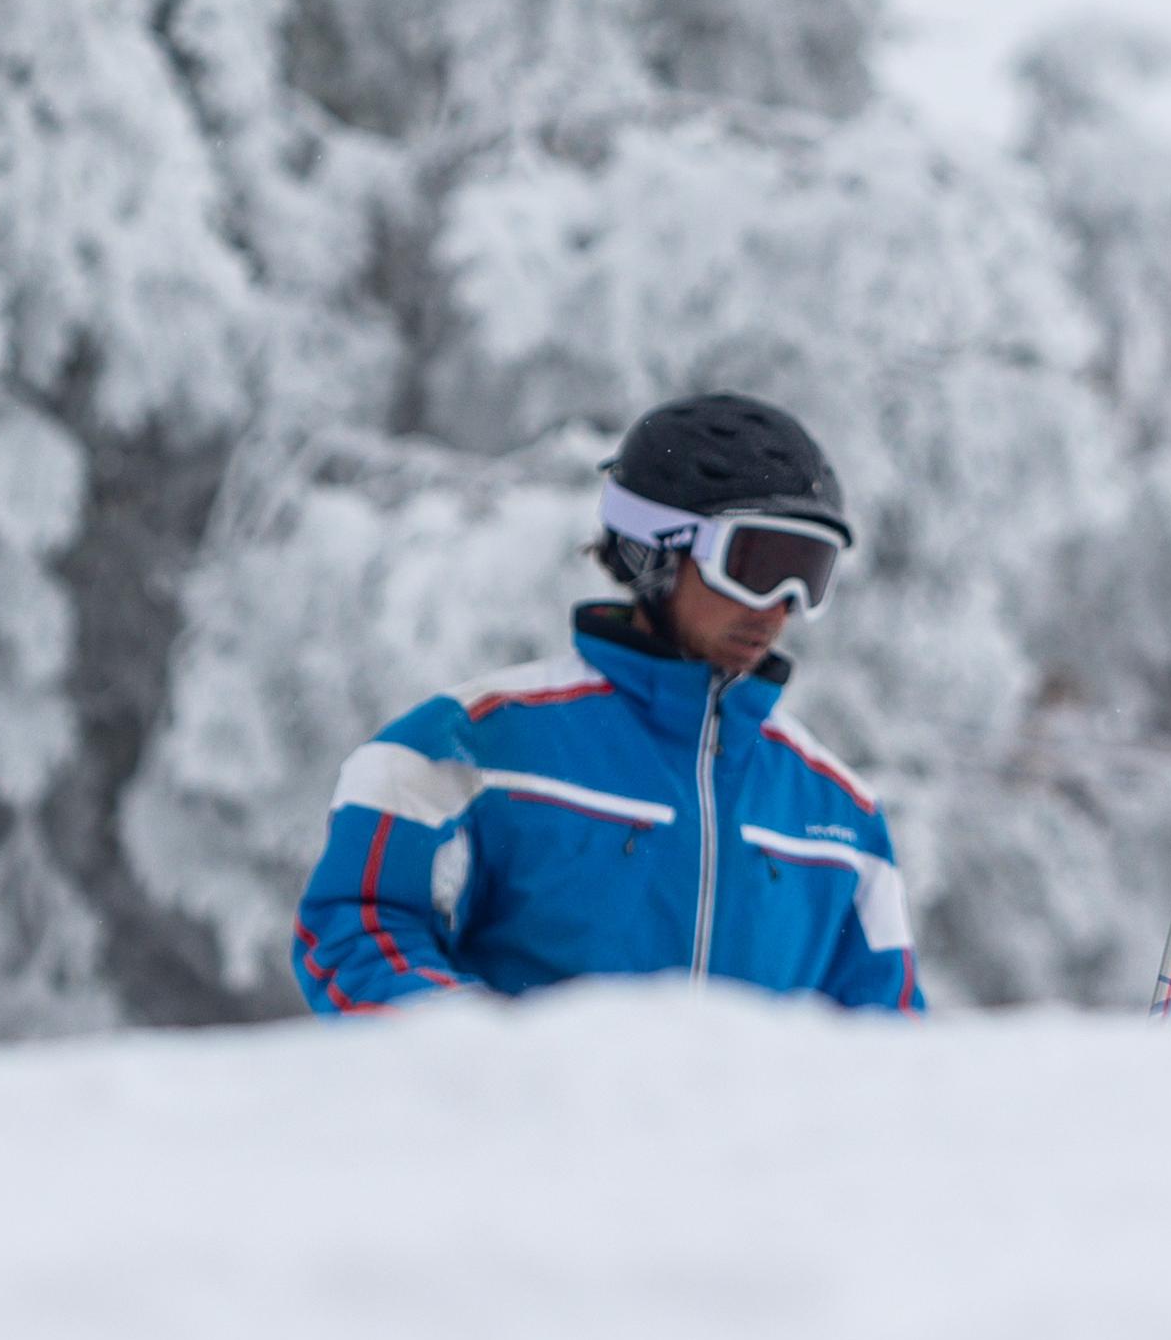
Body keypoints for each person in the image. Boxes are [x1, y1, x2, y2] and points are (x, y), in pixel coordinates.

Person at [290, 391, 920, 1016]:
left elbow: (886, 1046)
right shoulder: (470, 745)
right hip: (527, 1115)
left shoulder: (840, 815)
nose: (779, 605)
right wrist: (497, 1068)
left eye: (809, 571)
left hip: (745, 1122)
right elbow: (357, 926)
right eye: (756, 564)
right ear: (656, 551)